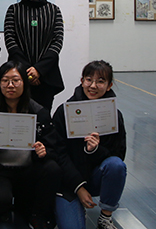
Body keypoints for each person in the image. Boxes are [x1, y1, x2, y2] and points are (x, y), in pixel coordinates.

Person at [0, 61, 61, 229]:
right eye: (5, 80)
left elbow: (54, 148)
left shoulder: (39, 112)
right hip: (0, 170)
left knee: (52, 169)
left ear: (25, 83)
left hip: (29, 168)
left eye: (16, 80)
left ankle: (37, 215)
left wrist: (44, 151)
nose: (10, 85)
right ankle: (1, 213)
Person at [53, 60, 127, 229]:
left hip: (95, 177)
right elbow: (58, 154)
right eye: (89, 80)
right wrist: (78, 187)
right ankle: (76, 206)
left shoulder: (114, 116)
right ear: (82, 81)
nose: (93, 86)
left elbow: (118, 154)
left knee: (116, 165)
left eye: (100, 81)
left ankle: (105, 217)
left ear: (109, 86)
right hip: (68, 182)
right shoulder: (64, 112)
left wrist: (95, 150)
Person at [4, 0, 64, 111]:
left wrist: (39, 70)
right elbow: (10, 41)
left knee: (43, 116)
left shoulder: (54, 10)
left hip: (46, 76)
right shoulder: (13, 10)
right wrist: (28, 72)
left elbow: (57, 42)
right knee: (18, 116)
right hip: (18, 75)